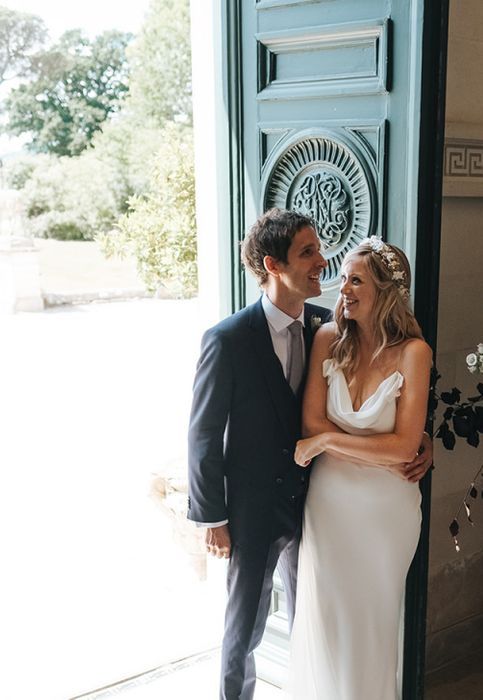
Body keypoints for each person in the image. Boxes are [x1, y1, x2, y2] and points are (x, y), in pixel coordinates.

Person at [187, 209, 432, 700]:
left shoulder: (327, 326)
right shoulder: (228, 339)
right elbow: (203, 434)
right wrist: (211, 516)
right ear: (272, 265)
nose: (323, 261)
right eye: (308, 253)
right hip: (255, 508)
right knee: (244, 631)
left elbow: (388, 404)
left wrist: (419, 441)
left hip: (317, 503)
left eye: (321, 251)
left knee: (318, 625)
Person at [289, 237, 433, 700]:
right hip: (329, 506)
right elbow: (311, 419)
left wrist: (329, 440)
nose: (343, 289)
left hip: (386, 514)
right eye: (344, 278)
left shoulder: (414, 353)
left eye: (356, 280)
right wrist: (377, 448)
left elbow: (405, 446)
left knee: (373, 625)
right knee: (327, 621)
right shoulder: (328, 339)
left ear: (386, 292)